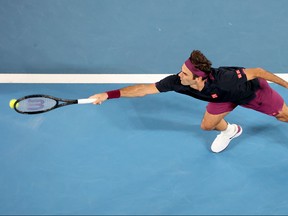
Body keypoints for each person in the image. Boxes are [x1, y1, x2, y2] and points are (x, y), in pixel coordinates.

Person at [89, 50, 288, 153]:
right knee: (207, 126)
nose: (179, 75)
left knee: (284, 117)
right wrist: (107, 95)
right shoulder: (177, 82)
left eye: (185, 74)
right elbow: (142, 89)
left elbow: (259, 72)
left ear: (198, 78)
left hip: (252, 93)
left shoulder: (226, 79)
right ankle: (231, 131)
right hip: (223, 99)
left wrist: (286, 85)